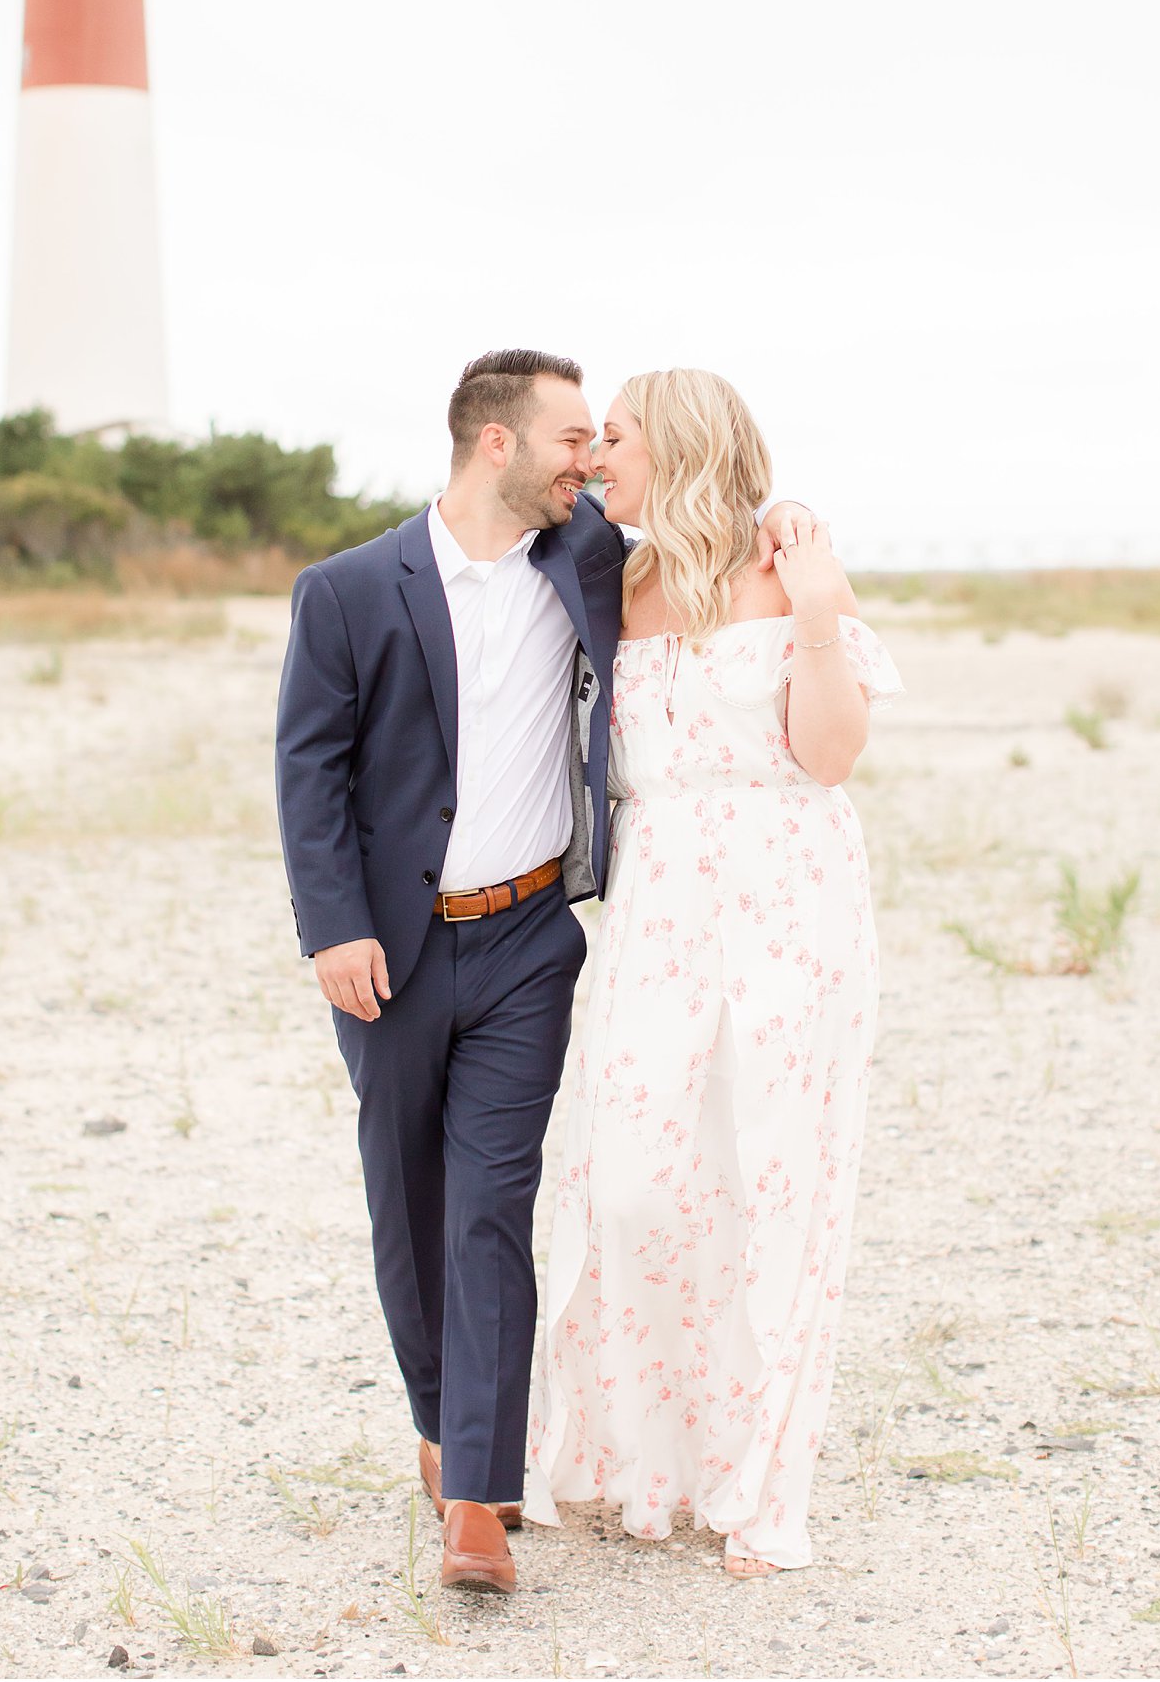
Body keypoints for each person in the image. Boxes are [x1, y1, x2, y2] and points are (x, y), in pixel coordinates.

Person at [274, 350, 813, 1595]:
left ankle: (480, 1492)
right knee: (405, 1206)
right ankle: (437, 1418)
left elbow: (711, 540)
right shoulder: (348, 590)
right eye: (573, 439)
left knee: (491, 1204)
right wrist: (330, 926)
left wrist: (784, 521)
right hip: (391, 952)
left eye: (598, 440)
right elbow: (311, 772)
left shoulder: (585, 561)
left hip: (529, 942)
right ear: (496, 446)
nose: (591, 460)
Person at [525, 369, 900, 1576]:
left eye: (615, 439)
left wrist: (815, 609)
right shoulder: (609, 572)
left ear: (676, 446)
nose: (593, 461)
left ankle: (756, 1486)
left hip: (791, 900)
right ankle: (642, 1460)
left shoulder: (791, 571)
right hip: (660, 908)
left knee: (778, 1184)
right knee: (629, 1182)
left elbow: (829, 756)